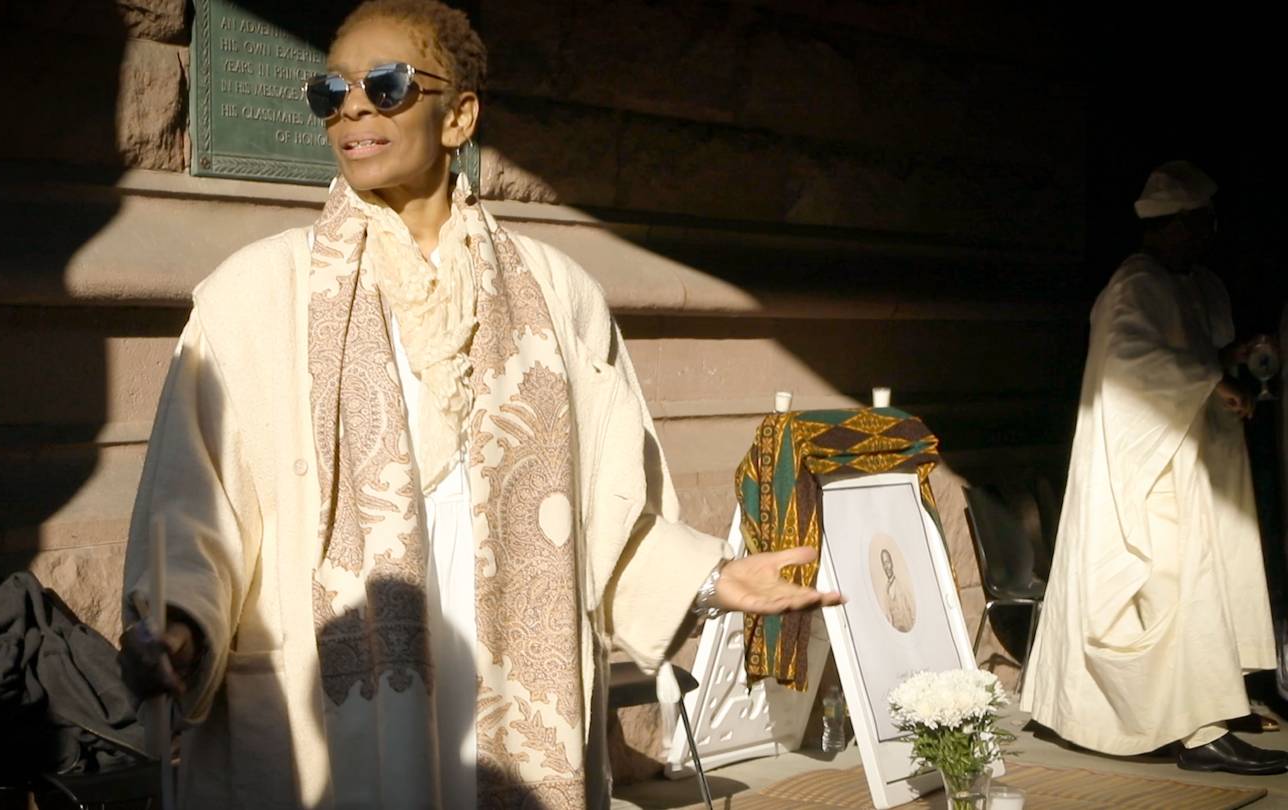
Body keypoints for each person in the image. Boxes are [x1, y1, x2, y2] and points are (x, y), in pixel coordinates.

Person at [117, 2, 843, 807]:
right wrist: (176, 623)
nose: (354, 107)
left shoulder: (559, 294)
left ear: (458, 114)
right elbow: (193, 504)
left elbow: (611, 507)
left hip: (503, 663)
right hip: (337, 691)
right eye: (331, 92)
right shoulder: (252, 295)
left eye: (386, 85)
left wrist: (712, 578)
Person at [1021, 160, 1284, 774]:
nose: (1204, 237)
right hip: (1142, 463)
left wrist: (1228, 359)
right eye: (1195, 226)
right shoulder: (1132, 284)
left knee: (1203, 580)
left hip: (1192, 458)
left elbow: (1191, 352)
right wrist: (1210, 377)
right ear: (1170, 226)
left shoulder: (1196, 283)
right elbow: (1129, 365)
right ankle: (1199, 732)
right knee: (1169, 583)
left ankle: (1213, 703)